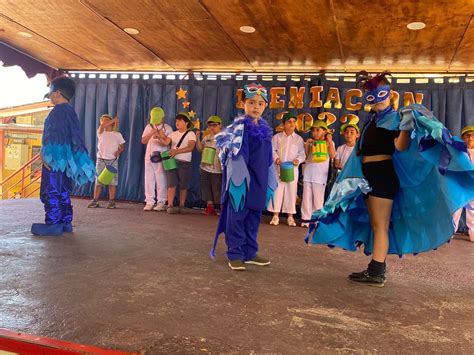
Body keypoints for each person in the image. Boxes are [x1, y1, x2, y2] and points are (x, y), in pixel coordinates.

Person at [306, 71, 474, 287]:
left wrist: (405, 127)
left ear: (389, 94)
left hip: (383, 176)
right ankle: (375, 268)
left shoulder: (396, 118)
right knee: (376, 224)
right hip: (368, 175)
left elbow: (401, 147)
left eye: (381, 94)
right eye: (371, 94)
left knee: (380, 225)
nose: (376, 98)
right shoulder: (372, 121)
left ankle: (377, 270)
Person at [211, 83, 277, 271]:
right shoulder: (239, 129)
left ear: (265, 107)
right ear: (243, 104)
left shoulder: (265, 129)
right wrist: (237, 183)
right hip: (241, 183)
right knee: (237, 218)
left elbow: (269, 158)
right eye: (251, 102)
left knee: (253, 218)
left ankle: (249, 252)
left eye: (260, 104)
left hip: (259, 182)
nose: (256, 107)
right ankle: (235, 253)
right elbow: (234, 155)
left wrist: (271, 179)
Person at [31, 76, 95, 236]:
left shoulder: (56, 113)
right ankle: (65, 221)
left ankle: (53, 223)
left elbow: (53, 137)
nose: (50, 96)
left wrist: (46, 156)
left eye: (50, 93)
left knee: (50, 190)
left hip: (55, 161)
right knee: (63, 189)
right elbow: (75, 138)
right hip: (67, 161)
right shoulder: (70, 112)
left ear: (57, 93)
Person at [268, 112, 305, 227]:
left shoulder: (298, 139)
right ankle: (275, 215)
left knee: (291, 192)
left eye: (294, 122)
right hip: (278, 168)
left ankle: (290, 217)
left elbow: (302, 154)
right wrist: (277, 159)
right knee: (277, 191)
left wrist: (297, 160)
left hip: (292, 170)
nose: (292, 124)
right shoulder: (277, 137)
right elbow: (272, 151)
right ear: (283, 124)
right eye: (289, 122)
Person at [158, 112, 196, 214]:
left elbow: (191, 147)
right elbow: (165, 142)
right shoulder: (173, 134)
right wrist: (160, 136)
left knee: (183, 184)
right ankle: (170, 205)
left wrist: (176, 151)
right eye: (176, 120)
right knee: (171, 184)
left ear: (187, 123)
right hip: (172, 162)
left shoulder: (191, 134)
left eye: (180, 120)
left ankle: (181, 205)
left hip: (184, 162)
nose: (177, 122)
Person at [300, 120, 336, 228]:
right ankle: (305, 218)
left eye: (318, 130)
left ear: (324, 131)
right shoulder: (310, 142)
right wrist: (307, 145)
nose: (315, 133)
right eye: (313, 131)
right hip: (308, 172)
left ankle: (317, 220)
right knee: (306, 197)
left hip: (320, 175)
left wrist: (329, 141)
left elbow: (333, 155)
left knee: (318, 198)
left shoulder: (329, 142)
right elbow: (306, 156)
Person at [88, 114, 125, 209]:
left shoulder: (117, 134)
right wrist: (113, 120)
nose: (104, 122)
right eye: (103, 121)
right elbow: (102, 126)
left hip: (113, 160)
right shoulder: (100, 132)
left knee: (112, 182)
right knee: (98, 181)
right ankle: (95, 200)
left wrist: (119, 151)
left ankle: (111, 201)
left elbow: (122, 147)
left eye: (106, 120)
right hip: (101, 160)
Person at [141, 107, 173, 211]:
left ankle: (161, 201)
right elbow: (143, 141)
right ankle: (149, 201)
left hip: (162, 157)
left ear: (162, 118)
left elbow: (169, 142)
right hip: (149, 157)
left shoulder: (168, 128)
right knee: (148, 179)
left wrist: (160, 135)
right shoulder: (148, 127)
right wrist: (152, 132)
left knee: (161, 179)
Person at [196, 115, 223, 216]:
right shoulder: (207, 137)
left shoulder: (224, 137)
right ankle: (210, 207)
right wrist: (197, 138)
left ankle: (221, 207)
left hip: (218, 168)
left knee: (217, 188)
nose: (211, 128)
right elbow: (200, 149)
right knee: (206, 187)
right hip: (205, 166)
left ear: (220, 125)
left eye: (214, 125)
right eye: (210, 126)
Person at [452, 125, 474, 242]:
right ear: (462, 138)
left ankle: (473, 233)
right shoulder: (458, 152)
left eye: (473, 135)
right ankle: (449, 232)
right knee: (456, 208)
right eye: (467, 135)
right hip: (459, 185)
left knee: (473, 211)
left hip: (472, 186)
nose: (470, 138)